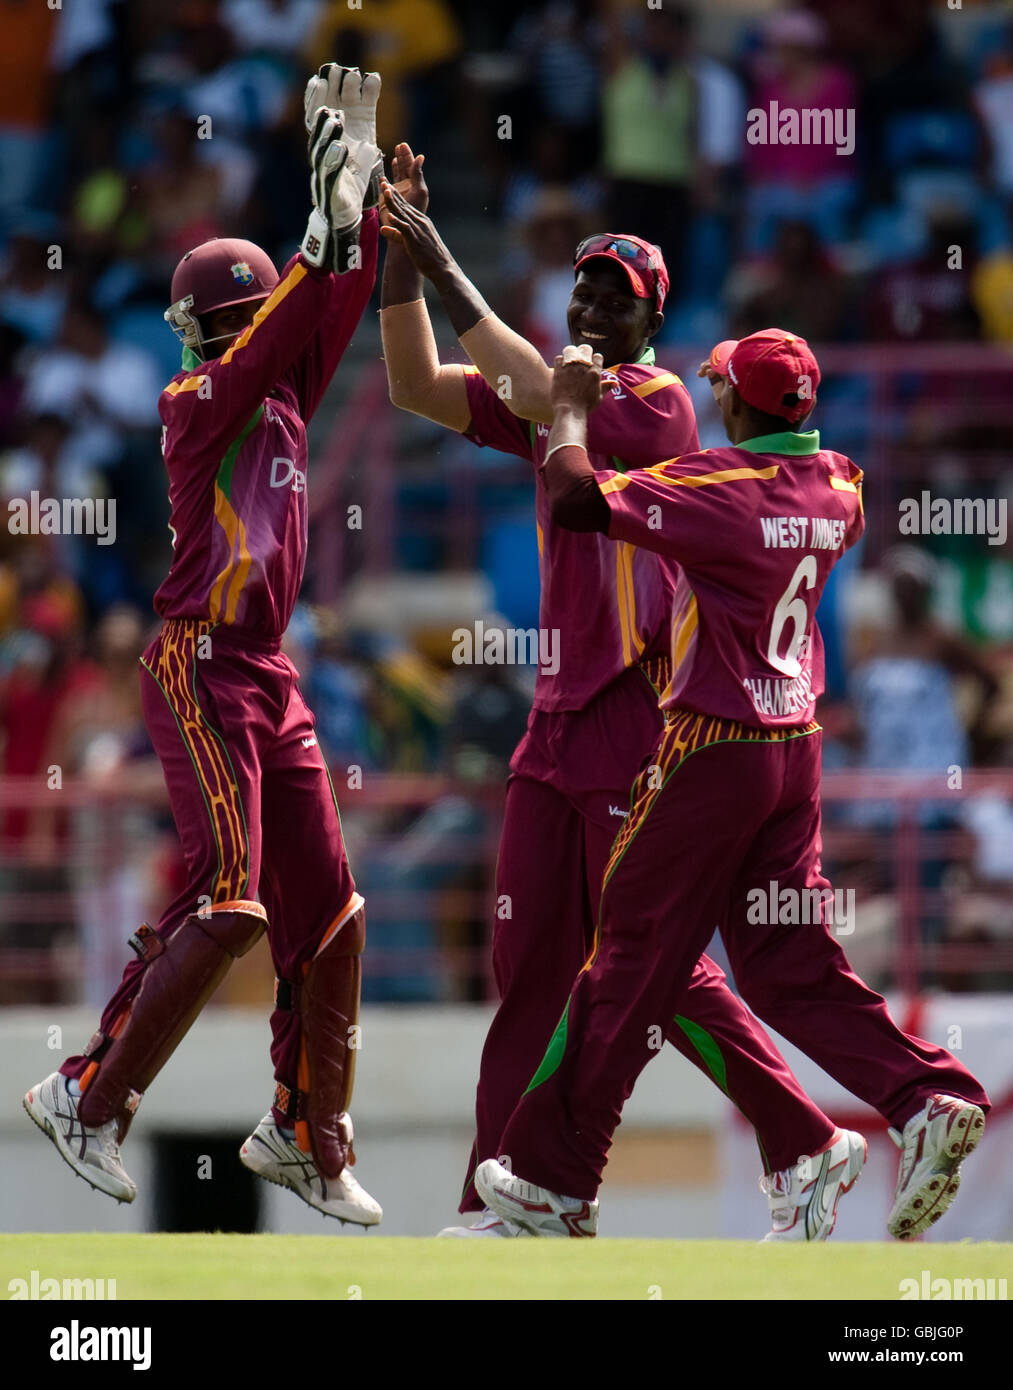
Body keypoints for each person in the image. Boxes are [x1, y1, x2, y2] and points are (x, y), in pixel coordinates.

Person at [379, 151, 865, 1242]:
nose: (591, 303)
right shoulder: (562, 395)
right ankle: (501, 1195)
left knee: (651, 959)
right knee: (529, 970)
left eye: (618, 295)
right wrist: (390, 263)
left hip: (634, 717)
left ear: (651, 322)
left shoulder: (644, 405)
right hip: (552, 726)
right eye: (583, 287)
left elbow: (521, 377)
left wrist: (432, 245)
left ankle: (802, 1136)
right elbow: (413, 383)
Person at [476, 332, 990, 1239]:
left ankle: (555, 1180)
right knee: (789, 967)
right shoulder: (839, 485)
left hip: (711, 748)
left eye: (720, 389)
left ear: (739, 407)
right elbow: (814, 499)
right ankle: (925, 1095)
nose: (711, 402)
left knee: (628, 952)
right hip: (795, 750)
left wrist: (565, 405)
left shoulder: (719, 488)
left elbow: (572, 497)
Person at [24, 66, 385, 1227]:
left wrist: (359, 203)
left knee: (331, 912)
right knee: (232, 905)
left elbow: (327, 306)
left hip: (264, 670)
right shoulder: (198, 399)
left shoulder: (277, 391)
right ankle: (86, 1095)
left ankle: (305, 1131)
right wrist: (322, 231)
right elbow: (292, 318)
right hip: (196, 661)